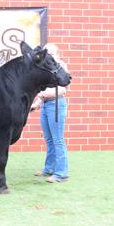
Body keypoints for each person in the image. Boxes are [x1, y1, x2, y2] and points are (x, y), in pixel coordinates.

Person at [30, 43, 69, 183]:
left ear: (57, 55)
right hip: (46, 105)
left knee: (58, 139)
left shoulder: (60, 67)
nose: (50, 57)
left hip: (57, 103)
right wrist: (37, 104)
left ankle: (62, 174)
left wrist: (41, 95)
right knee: (49, 140)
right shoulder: (45, 70)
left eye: (52, 54)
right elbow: (43, 92)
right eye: (48, 55)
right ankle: (49, 169)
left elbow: (61, 89)